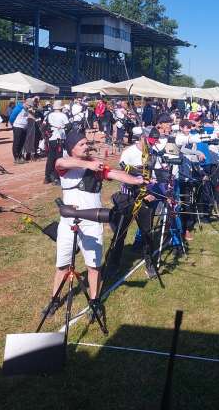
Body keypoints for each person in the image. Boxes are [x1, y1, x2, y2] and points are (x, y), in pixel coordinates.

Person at [44, 128, 144, 320]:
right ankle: (55, 300)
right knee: (63, 266)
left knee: (94, 266)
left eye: (86, 143)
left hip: (92, 223)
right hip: (68, 222)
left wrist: (138, 180)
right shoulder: (66, 163)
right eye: (81, 144)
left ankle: (94, 301)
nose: (86, 146)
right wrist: (88, 165)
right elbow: (61, 162)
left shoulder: (96, 166)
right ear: (71, 148)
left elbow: (115, 173)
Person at [43, 100, 69, 184]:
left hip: (51, 139)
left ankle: (47, 177)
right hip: (59, 139)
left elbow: (44, 125)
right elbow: (68, 126)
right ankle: (56, 178)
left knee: (50, 158)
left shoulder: (49, 115)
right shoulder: (63, 115)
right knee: (59, 159)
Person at [11, 98, 32, 164]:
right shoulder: (18, 108)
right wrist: (14, 125)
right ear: (25, 103)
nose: (30, 107)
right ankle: (16, 158)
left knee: (22, 143)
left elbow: (27, 116)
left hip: (24, 127)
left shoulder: (26, 109)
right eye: (29, 105)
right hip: (17, 127)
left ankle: (20, 156)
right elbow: (12, 117)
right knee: (17, 142)